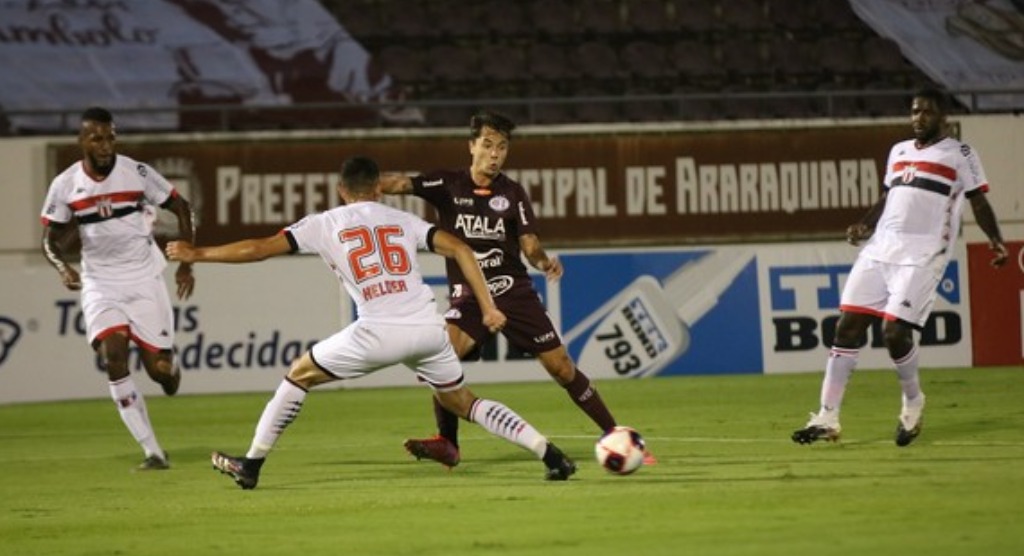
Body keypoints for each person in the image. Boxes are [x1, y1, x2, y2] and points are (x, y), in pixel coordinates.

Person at [165, 156, 576, 489]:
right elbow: (461, 249)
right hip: (428, 330)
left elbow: (258, 249)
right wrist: (487, 306)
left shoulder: (324, 223)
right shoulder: (403, 221)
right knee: (464, 402)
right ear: (378, 188)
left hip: (378, 331)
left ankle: (251, 465)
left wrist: (196, 254)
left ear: (341, 191)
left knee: (298, 375)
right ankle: (549, 454)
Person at [379, 110, 644, 468]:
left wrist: (544, 261)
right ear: (471, 146)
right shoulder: (447, 185)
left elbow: (530, 244)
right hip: (470, 295)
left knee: (562, 368)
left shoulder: (512, 192)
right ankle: (448, 443)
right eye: (487, 145)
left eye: (502, 147)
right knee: (443, 356)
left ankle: (615, 434)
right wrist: (365, 187)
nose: (495, 154)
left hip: (513, 292)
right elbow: (399, 184)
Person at [791, 87, 1008, 447]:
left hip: (923, 255)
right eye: (914, 111)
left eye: (926, 112)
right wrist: (865, 224)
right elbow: (889, 197)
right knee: (847, 327)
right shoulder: (898, 152)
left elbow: (978, 201)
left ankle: (913, 402)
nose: (918, 118)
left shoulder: (960, 153)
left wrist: (995, 240)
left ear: (943, 116)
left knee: (894, 333)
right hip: (881, 251)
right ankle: (827, 416)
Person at [41, 107, 197, 470]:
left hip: (144, 280)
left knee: (158, 371)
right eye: (96, 137)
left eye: (110, 136)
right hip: (100, 283)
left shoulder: (137, 173)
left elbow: (182, 207)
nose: (105, 144)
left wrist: (187, 261)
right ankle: (153, 452)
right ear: (81, 141)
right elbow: (49, 241)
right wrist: (62, 267)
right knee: (112, 357)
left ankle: (169, 372)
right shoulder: (65, 185)